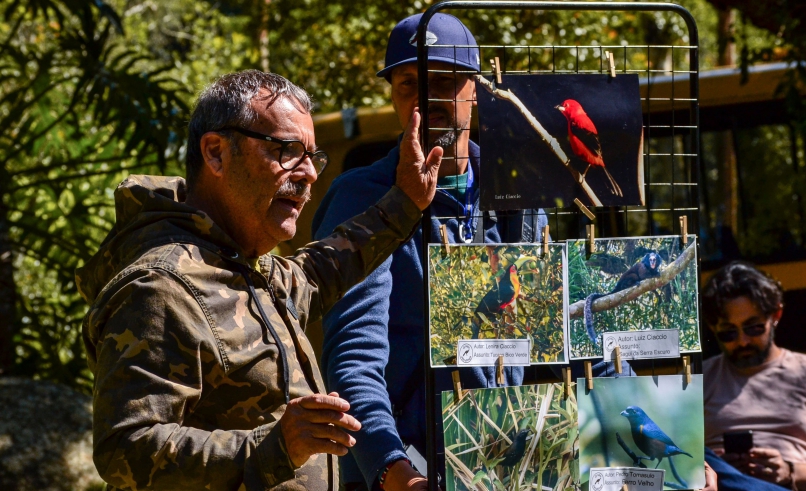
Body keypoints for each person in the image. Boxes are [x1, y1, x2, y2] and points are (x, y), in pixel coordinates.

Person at [76, 70, 443, 491]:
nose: (308, 174)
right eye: (287, 150)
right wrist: (274, 447)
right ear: (215, 153)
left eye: (313, 157)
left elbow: (317, 272)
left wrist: (406, 202)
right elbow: (125, 448)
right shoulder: (160, 287)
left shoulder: (245, 267)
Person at [312, 13, 627, 491]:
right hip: (410, 470)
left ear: (475, 89)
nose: (425, 97)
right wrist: (394, 471)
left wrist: (662, 434)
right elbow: (355, 357)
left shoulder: (518, 195)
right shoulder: (362, 197)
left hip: (510, 462)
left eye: (443, 81)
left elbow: (573, 331)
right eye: (408, 84)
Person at [701, 261, 806, 491]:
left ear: (775, 315)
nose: (743, 341)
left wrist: (789, 471)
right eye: (728, 332)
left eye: (754, 328)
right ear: (712, 327)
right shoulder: (697, 379)